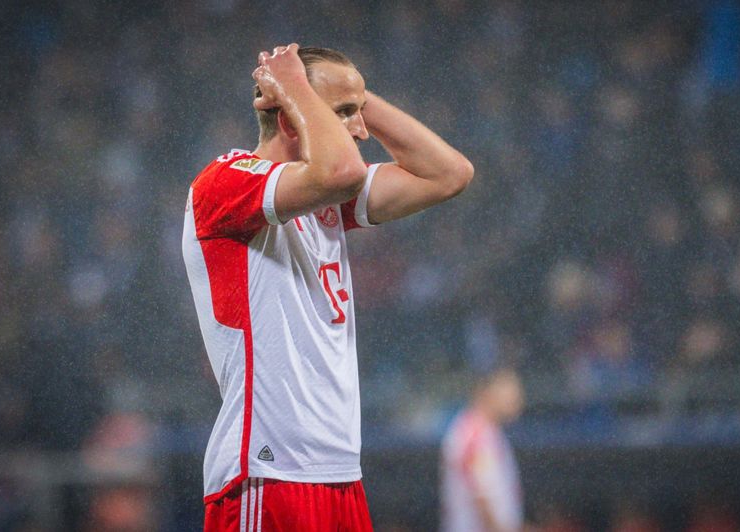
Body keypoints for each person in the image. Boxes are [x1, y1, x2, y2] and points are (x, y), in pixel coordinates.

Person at [183, 43, 473, 531]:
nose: (362, 130)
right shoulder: (225, 183)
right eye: (344, 114)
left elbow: (450, 174)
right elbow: (341, 171)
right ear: (291, 114)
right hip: (267, 471)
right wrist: (297, 88)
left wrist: (352, 95)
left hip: (338, 471)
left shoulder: (327, 199)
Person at [440, 367, 526, 532]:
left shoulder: (489, 432)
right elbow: (480, 497)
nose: (517, 397)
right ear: (486, 392)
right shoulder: (474, 433)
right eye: (508, 390)